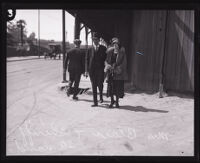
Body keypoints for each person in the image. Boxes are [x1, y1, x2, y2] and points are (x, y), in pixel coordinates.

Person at [104, 37, 128, 108]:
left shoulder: (122, 53)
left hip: (118, 73)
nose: (115, 45)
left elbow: (124, 63)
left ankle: (117, 102)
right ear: (112, 45)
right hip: (111, 73)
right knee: (111, 88)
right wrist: (108, 66)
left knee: (117, 88)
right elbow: (106, 61)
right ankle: (112, 102)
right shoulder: (110, 52)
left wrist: (118, 68)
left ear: (119, 45)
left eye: (117, 44)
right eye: (114, 44)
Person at [86, 32, 107, 107]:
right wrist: (86, 70)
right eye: (93, 39)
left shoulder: (103, 48)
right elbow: (87, 60)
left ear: (99, 40)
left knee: (100, 85)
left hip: (100, 70)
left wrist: (106, 69)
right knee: (94, 85)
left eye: (96, 39)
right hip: (92, 70)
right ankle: (95, 102)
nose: (95, 41)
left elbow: (106, 59)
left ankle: (101, 97)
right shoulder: (90, 49)